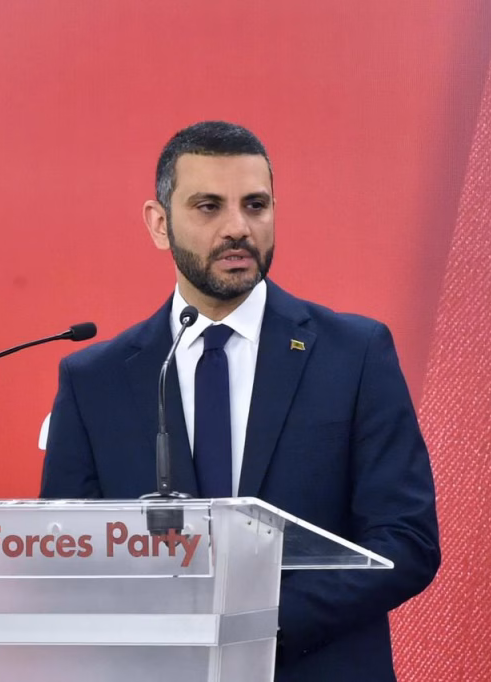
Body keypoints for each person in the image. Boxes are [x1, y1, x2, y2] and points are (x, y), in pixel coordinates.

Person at [40, 121, 440, 681]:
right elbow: (69, 559)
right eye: (208, 207)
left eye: (255, 205)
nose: (238, 228)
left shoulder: (354, 354)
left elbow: (406, 541)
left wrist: (257, 626)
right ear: (159, 223)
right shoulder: (95, 380)